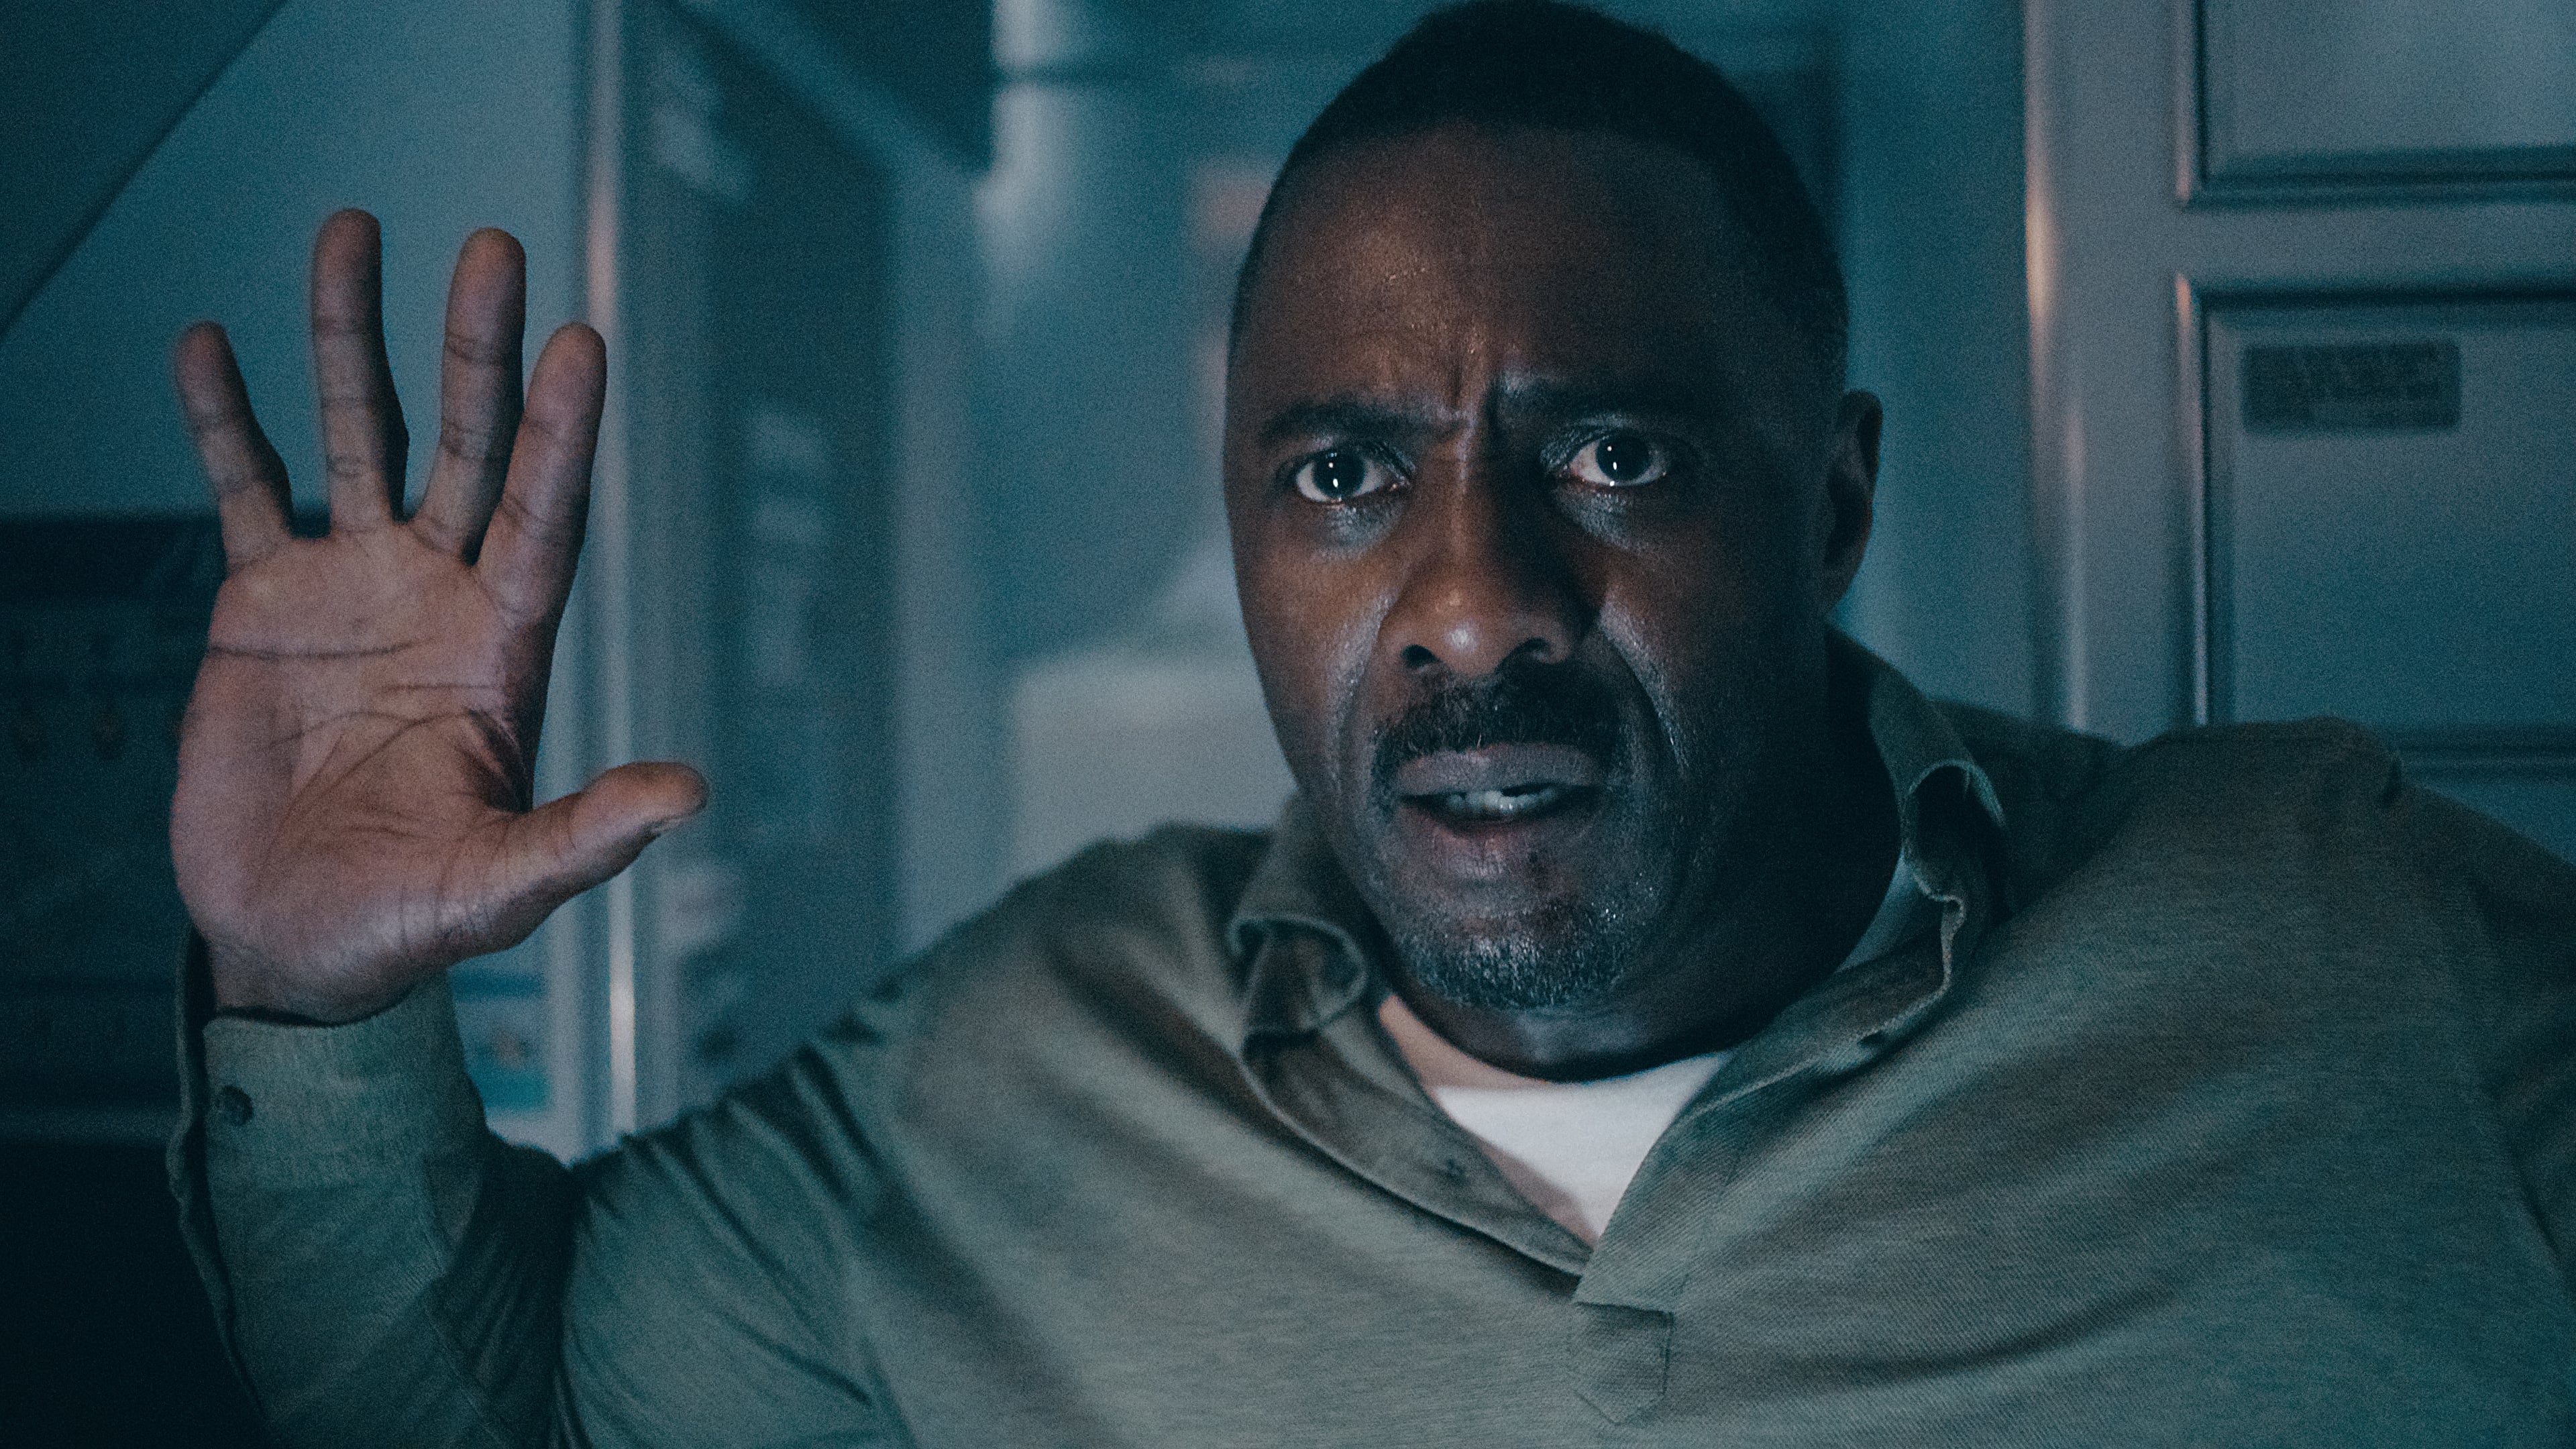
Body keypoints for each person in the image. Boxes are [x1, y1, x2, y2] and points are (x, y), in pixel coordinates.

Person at [166, 3, 2574, 1444]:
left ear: (1831, 502)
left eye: (1612, 456)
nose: (1470, 601)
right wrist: (313, 1002)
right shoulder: (1011, 1066)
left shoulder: (2359, 959)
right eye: (1344, 478)